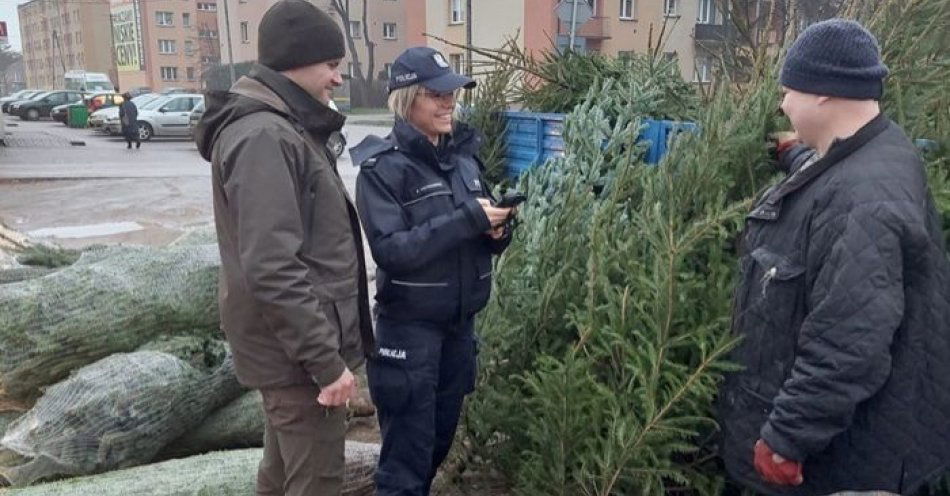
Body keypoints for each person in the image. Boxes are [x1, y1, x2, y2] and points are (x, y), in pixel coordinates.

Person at [718, 18, 950, 495]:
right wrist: (798, 157)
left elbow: (849, 340)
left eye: (789, 92)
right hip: (845, 457)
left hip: (843, 468)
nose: (782, 104)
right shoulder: (872, 156)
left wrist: (786, 439)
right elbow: (833, 176)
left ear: (823, 93)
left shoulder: (864, 200)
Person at [194, 1, 374, 495]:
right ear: (297, 61)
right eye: (332, 66)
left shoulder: (280, 125)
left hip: (291, 355)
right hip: (297, 358)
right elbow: (273, 266)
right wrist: (326, 362)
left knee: (281, 478)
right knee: (315, 482)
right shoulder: (265, 135)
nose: (338, 78)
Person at [350, 46, 515, 495]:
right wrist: (468, 221)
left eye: (452, 94)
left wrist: (496, 234)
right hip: (410, 335)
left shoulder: (463, 160)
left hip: (459, 332)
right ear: (406, 100)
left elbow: (470, 236)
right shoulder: (382, 170)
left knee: (435, 448)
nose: (449, 103)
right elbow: (392, 251)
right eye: (435, 94)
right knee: (406, 461)